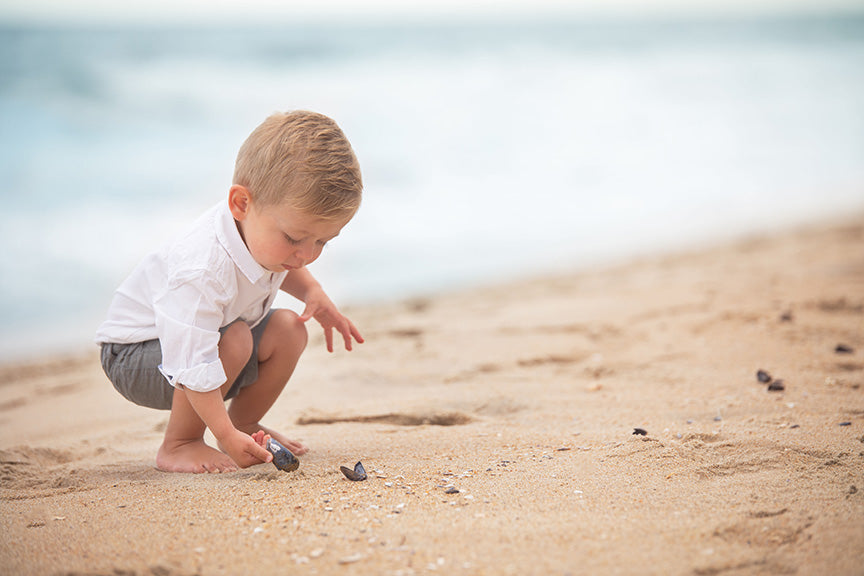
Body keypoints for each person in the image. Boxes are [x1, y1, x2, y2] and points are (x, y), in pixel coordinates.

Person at [95, 110, 364, 474]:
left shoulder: (260, 235)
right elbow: (191, 360)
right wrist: (219, 432)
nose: (308, 254)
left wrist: (314, 292)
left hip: (199, 345)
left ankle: (245, 424)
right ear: (241, 203)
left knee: (289, 329)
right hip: (135, 356)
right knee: (236, 338)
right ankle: (179, 443)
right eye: (294, 238)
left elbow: (283, 265)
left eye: (323, 242)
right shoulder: (203, 267)